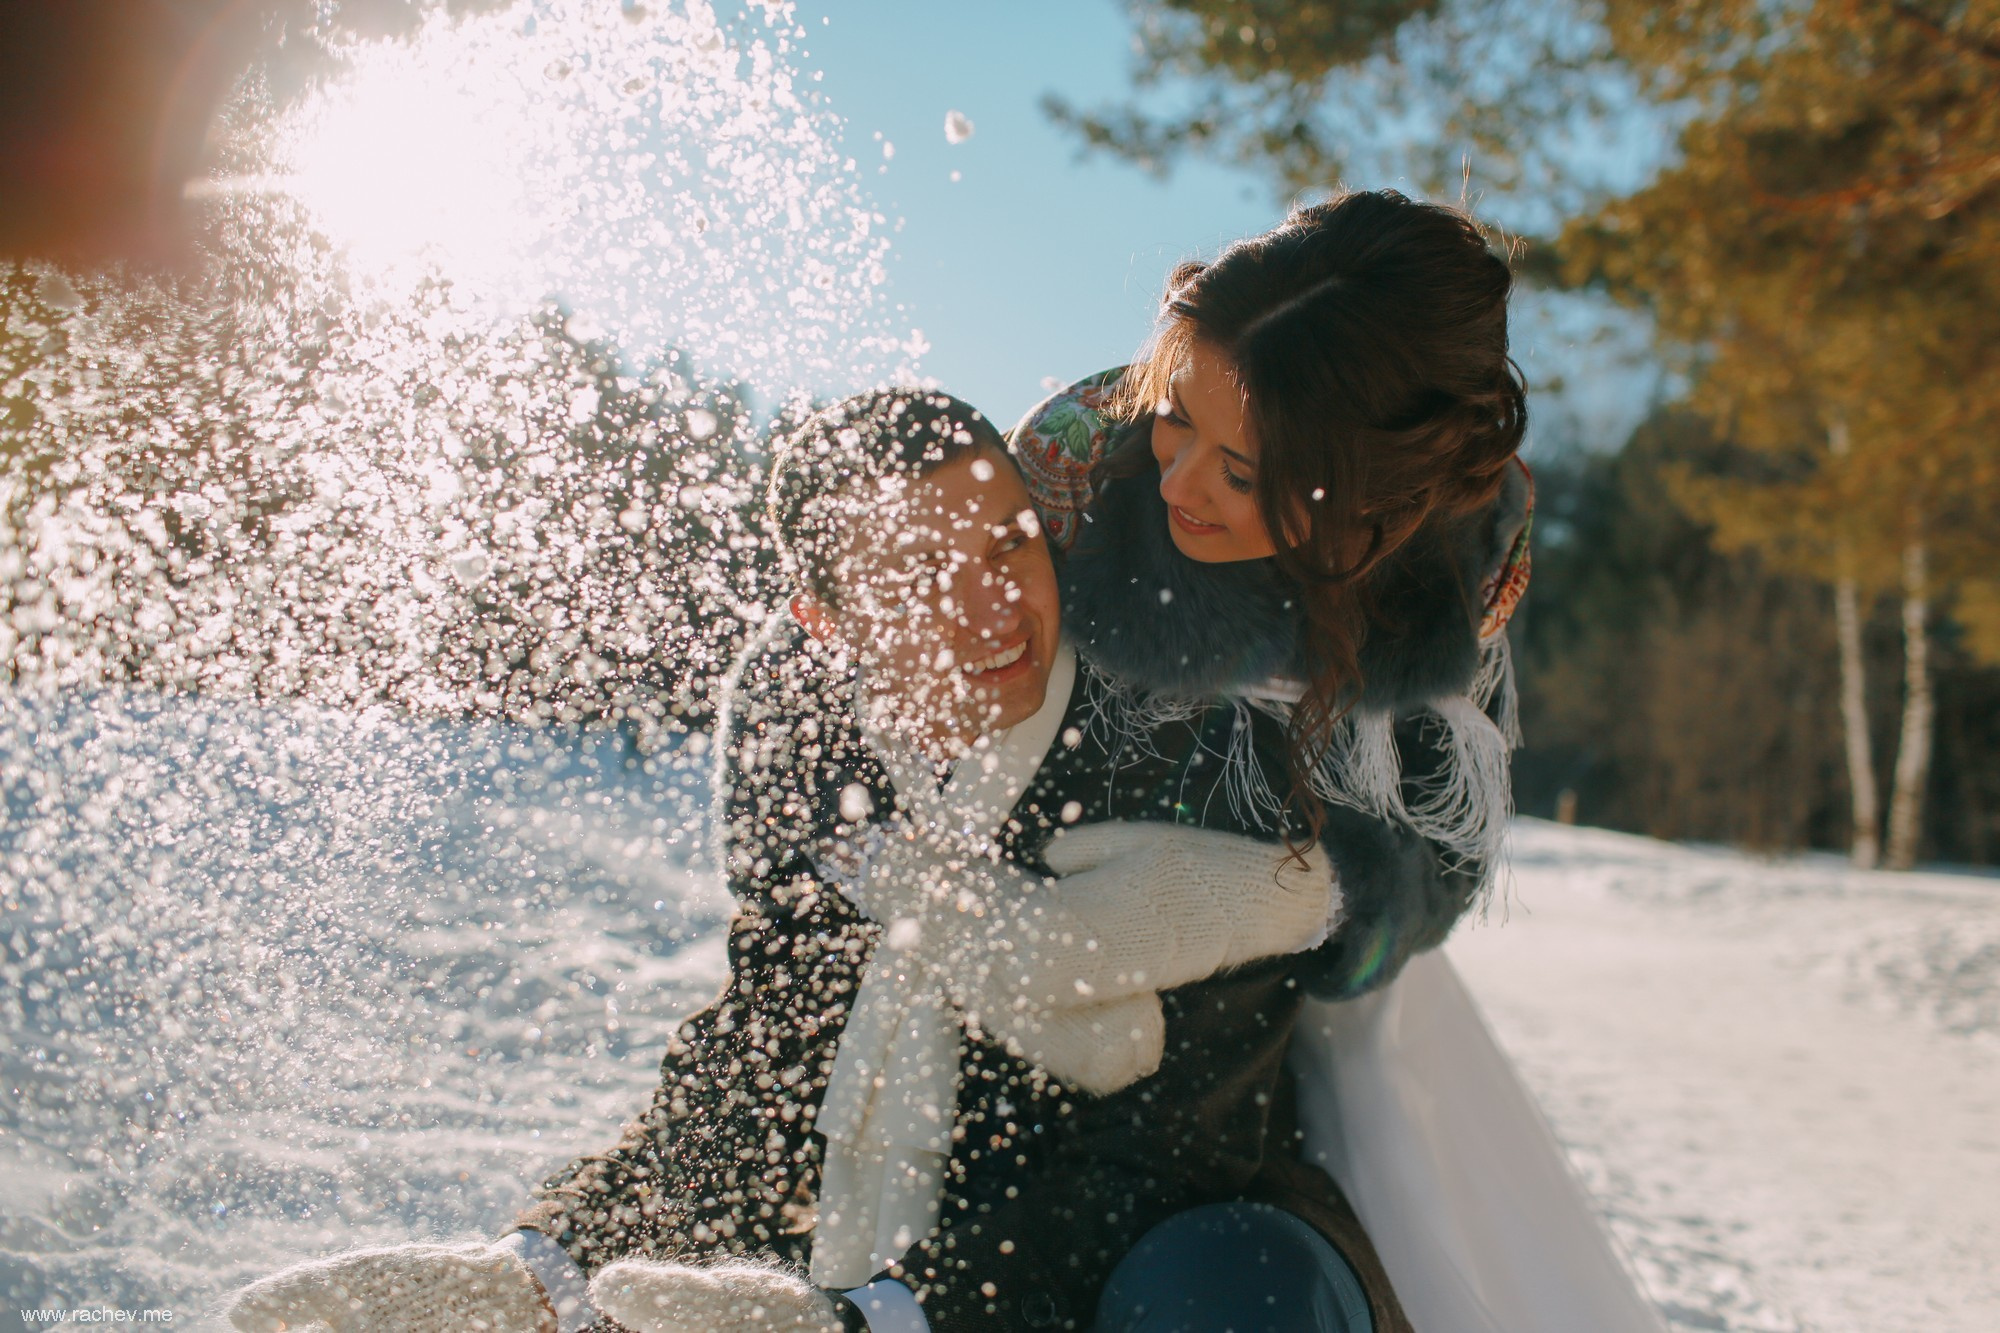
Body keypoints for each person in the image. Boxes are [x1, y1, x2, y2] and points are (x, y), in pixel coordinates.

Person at [224, 390, 1397, 1333]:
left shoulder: (1173, 733)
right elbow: (778, 1037)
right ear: (826, 623)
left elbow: (1166, 1135)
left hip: (1187, 1226)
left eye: (1008, 544)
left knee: (1219, 1289)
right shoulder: (811, 741)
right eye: (921, 577)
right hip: (894, 1221)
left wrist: (887, 1312)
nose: (994, 608)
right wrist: (553, 1261)